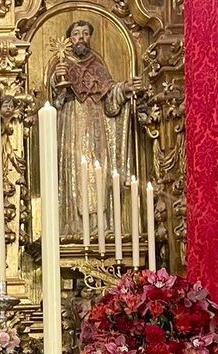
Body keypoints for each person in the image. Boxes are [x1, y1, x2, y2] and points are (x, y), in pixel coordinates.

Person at [50, 19, 136, 238]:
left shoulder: (97, 63)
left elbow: (110, 97)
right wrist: (57, 80)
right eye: (76, 33)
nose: (81, 37)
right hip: (72, 123)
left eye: (85, 33)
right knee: (75, 170)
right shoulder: (62, 63)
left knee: (99, 170)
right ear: (69, 39)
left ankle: (100, 225)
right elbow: (54, 101)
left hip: (97, 123)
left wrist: (124, 88)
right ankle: (75, 225)